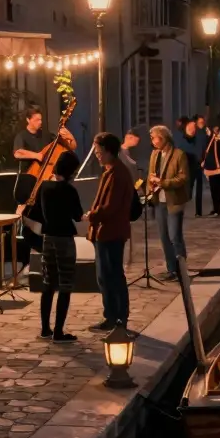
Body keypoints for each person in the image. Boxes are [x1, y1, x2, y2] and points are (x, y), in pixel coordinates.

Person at [86, 133, 134, 331]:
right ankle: (113, 316)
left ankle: (116, 317)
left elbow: (110, 207)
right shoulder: (111, 171)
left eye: (99, 152)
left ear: (108, 151)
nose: (97, 156)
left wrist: (91, 215)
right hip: (105, 232)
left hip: (111, 232)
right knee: (107, 275)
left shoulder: (117, 174)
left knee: (111, 275)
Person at [34, 152, 82, 342]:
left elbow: (38, 210)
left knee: (48, 283)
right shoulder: (69, 190)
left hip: (48, 237)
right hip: (65, 239)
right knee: (65, 285)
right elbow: (77, 215)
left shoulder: (44, 186)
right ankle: (59, 332)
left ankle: (45, 328)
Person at [147, 126, 190, 282]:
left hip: (174, 201)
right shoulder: (154, 154)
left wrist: (163, 182)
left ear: (163, 138)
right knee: (164, 237)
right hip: (159, 201)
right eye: (151, 138)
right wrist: (150, 187)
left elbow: (183, 178)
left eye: (154, 138)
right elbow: (150, 175)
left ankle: (182, 271)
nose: (153, 141)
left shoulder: (179, 155)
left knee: (175, 236)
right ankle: (171, 269)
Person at [12, 106, 78, 174]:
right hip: (29, 175)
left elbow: (71, 147)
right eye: (37, 120)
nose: (40, 122)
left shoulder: (46, 135)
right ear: (28, 120)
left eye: (41, 119)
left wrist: (69, 136)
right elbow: (17, 153)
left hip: (46, 174)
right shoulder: (21, 136)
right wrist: (37, 155)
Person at [178, 119, 207, 216]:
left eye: (194, 127)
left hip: (198, 165)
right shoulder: (180, 140)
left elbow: (204, 150)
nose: (192, 129)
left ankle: (198, 211)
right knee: (187, 189)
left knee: (199, 188)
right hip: (186, 167)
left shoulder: (200, 139)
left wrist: (203, 160)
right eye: (190, 127)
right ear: (185, 128)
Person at [203, 125, 220, 217]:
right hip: (212, 167)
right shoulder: (210, 140)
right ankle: (216, 208)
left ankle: (217, 209)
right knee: (214, 189)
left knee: (218, 189)